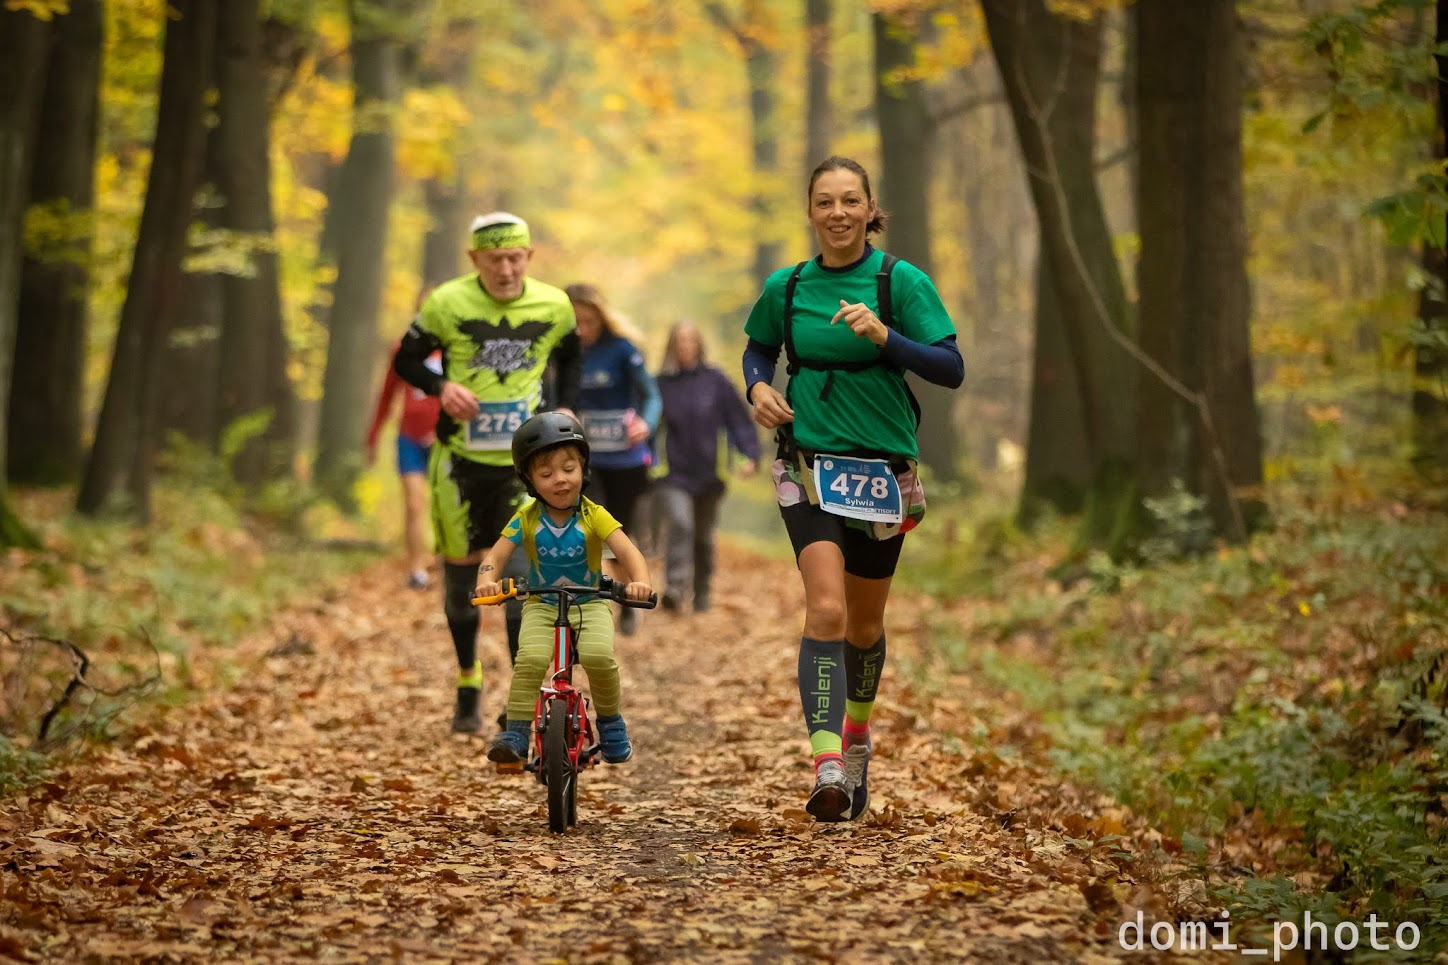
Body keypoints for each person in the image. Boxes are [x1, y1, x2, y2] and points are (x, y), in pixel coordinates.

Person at [741, 156, 964, 822]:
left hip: (882, 476)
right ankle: (827, 761)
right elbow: (756, 348)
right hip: (808, 466)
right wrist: (756, 386)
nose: (837, 213)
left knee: (865, 625)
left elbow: (950, 367)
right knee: (828, 610)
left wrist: (885, 336)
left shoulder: (901, 282)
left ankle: (858, 735)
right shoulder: (787, 287)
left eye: (849, 201)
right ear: (809, 212)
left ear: (870, 210)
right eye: (824, 202)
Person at [393, 212, 581, 736]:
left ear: (529, 257)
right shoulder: (446, 303)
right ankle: (468, 678)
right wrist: (440, 388)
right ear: (475, 260)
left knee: (521, 583)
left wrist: (566, 404)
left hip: (524, 470)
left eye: (514, 258)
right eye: (494, 259)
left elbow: (570, 357)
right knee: (462, 587)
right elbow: (405, 360)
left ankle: (520, 707)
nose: (505, 269)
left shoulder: (553, 304)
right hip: (458, 465)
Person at [473, 411, 653, 766]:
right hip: (540, 604)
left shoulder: (593, 514)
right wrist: (485, 581)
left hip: (590, 601)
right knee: (530, 659)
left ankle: (612, 723)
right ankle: (517, 732)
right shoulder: (525, 518)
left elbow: (629, 552)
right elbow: (494, 556)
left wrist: (640, 582)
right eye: (546, 473)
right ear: (529, 479)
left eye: (568, 469)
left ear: (582, 468)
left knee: (599, 656)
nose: (560, 480)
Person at [565, 283, 661, 635]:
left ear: (601, 318)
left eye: (587, 321)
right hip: (584, 462)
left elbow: (652, 396)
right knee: (588, 532)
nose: (581, 329)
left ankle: (629, 599)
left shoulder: (622, 349)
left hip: (626, 460)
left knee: (620, 534)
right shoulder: (563, 353)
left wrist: (644, 424)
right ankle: (591, 606)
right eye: (574, 322)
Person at [654, 321, 761, 612]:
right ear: (672, 347)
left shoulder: (716, 381)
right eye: (679, 341)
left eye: (690, 340)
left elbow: (738, 421)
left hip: (710, 474)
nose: (685, 346)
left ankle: (701, 592)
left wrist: (748, 455)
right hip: (672, 472)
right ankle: (675, 588)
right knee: (680, 523)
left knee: (702, 535)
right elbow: (648, 426)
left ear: (698, 344)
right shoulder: (660, 384)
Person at [366, 309, 443, 590]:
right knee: (414, 503)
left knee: (447, 506)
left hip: (444, 440)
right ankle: (416, 568)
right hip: (409, 437)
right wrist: (373, 437)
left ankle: (449, 563)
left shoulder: (454, 349)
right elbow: (387, 395)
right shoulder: (402, 349)